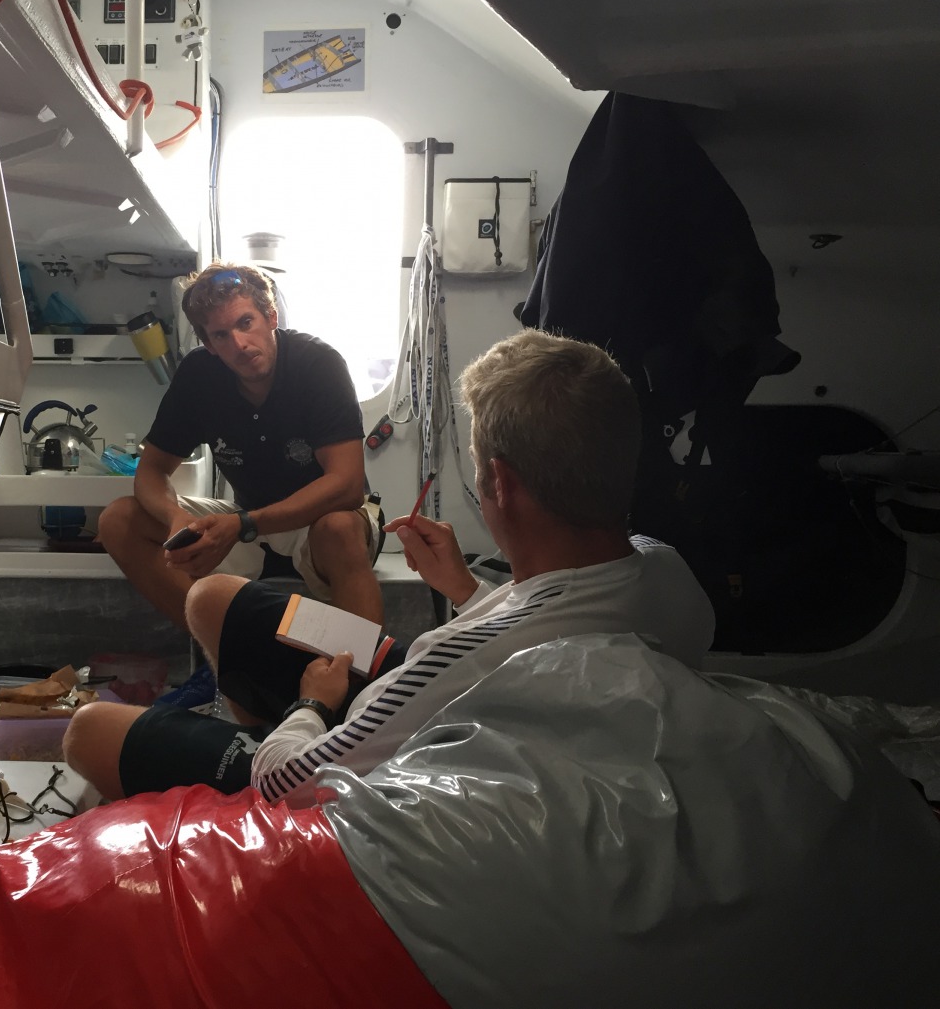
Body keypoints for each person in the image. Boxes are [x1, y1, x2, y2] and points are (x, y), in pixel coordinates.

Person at [64, 329, 716, 805]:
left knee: (90, 731)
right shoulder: (671, 574)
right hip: (417, 676)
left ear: (500, 483)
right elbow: (547, 613)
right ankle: (252, 700)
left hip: (354, 743)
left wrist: (311, 706)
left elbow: (289, 777)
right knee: (214, 598)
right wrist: (466, 590)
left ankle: (252, 726)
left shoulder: (457, 660)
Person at [96, 262, 383, 632]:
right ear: (208, 344)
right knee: (119, 519)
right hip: (247, 524)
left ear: (271, 316)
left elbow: (346, 486)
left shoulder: (318, 363)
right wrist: (175, 518)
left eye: (245, 323)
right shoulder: (199, 375)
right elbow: (152, 470)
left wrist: (244, 524)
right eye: (220, 335)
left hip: (318, 525)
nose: (239, 345)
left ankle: (362, 665)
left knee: (339, 529)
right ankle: (227, 647)